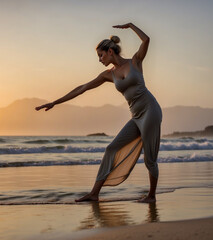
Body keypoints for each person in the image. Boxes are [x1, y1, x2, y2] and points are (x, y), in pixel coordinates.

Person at [35, 22, 162, 203]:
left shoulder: (135, 61)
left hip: (150, 110)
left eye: (100, 55)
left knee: (150, 158)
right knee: (111, 149)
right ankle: (94, 194)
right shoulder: (108, 75)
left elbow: (146, 39)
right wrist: (55, 102)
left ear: (110, 52)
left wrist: (131, 26)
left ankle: (151, 196)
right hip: (136, 116)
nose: (99, 59)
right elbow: (83, 88)